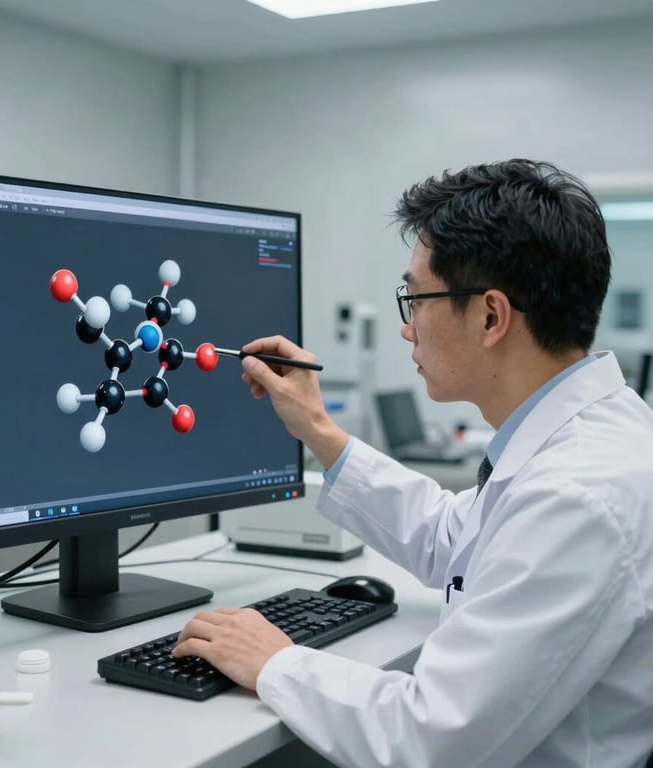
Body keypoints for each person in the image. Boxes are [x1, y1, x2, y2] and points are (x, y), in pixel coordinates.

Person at [173, 159, 653, 767]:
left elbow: (429, 739)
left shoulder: (577, 496)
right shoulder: (584, 440)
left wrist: (275, 660)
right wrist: (317, 428)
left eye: (416, 299)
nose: (408, 330)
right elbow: (453, 536)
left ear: (491, 317)